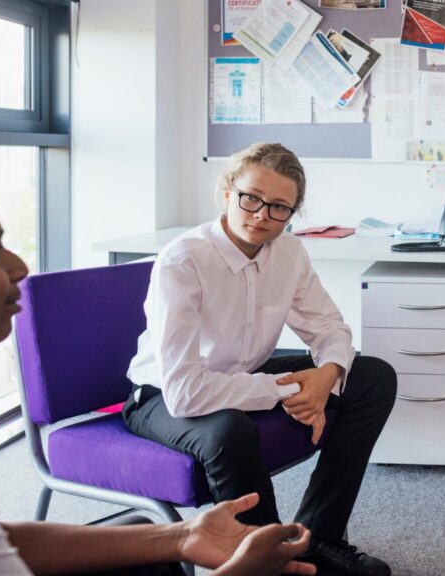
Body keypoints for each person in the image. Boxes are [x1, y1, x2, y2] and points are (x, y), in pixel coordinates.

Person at [0, 136, 316, 575]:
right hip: (170, 396)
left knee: (149, 546)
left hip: (219, 384)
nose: (19, 267)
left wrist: (178, 536)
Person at [125, 142, 397, 576]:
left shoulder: (289, 253)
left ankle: (316, 541)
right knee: (228, 429)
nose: (261, 216)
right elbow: (185, 393)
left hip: (240, 374)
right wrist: (287, 387)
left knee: (373, 377)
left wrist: (326, 375)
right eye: (250, 198)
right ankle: (272, 563)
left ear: (292, 213)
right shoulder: (184, 259)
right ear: (227, 190)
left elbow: (330, 328)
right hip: (162, 394)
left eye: (278, 208)